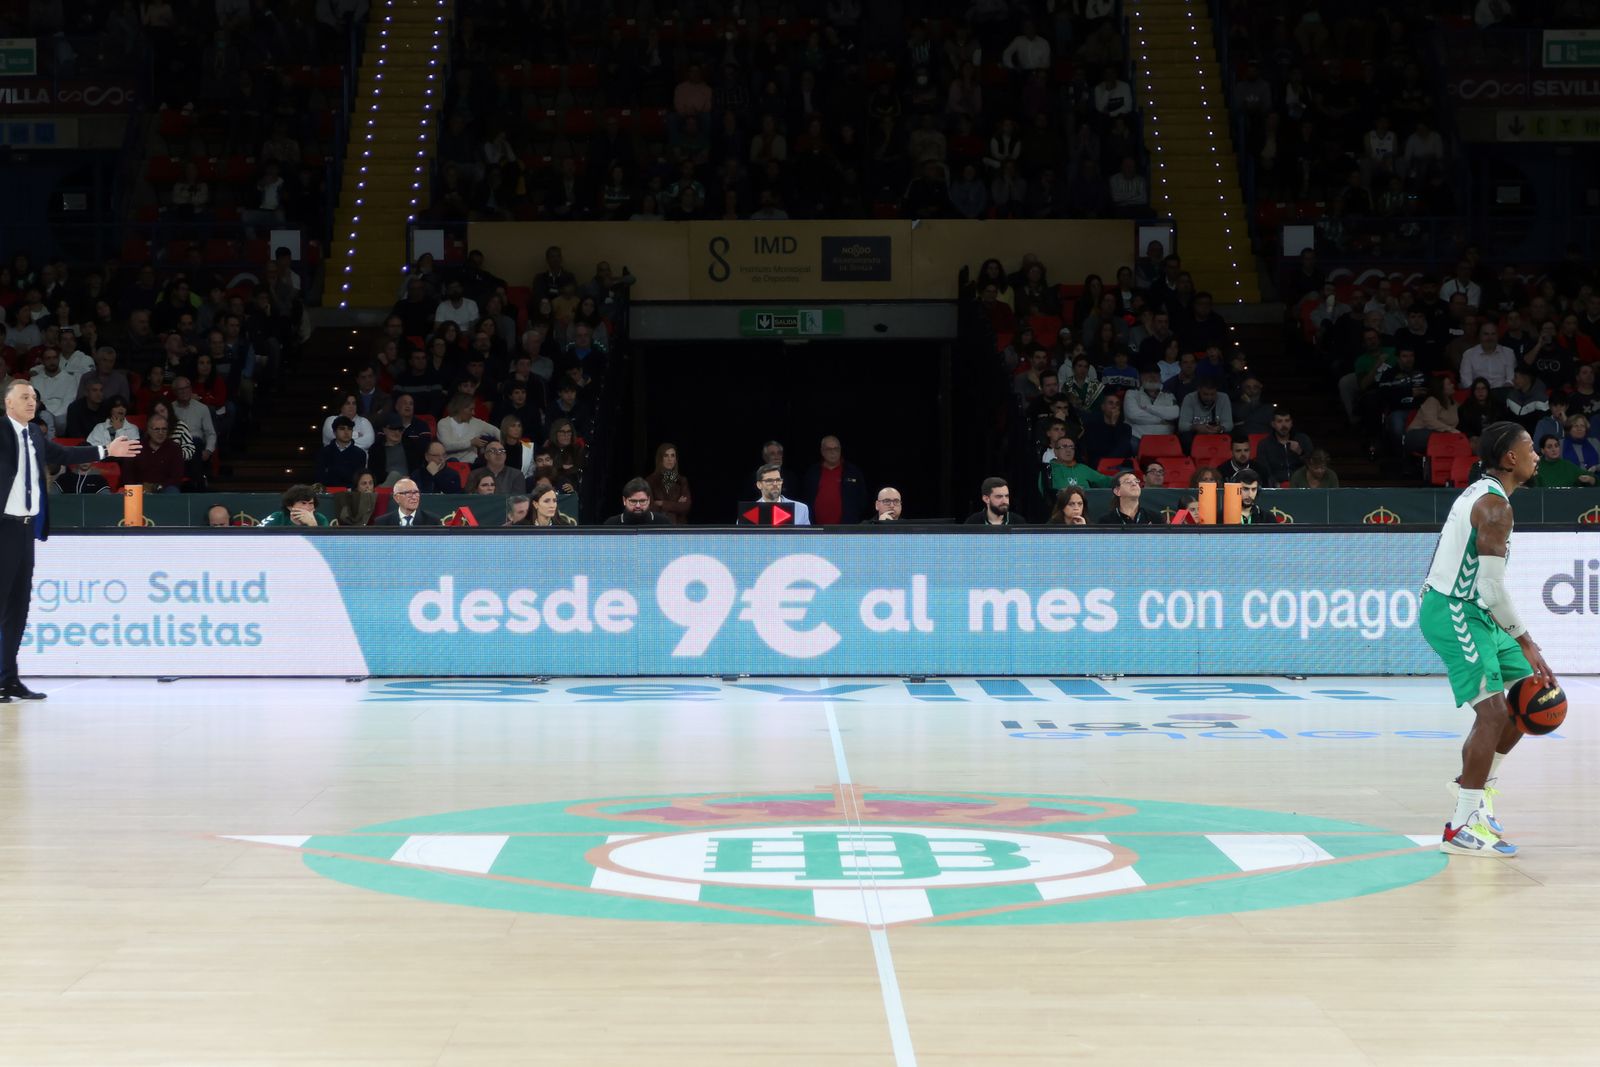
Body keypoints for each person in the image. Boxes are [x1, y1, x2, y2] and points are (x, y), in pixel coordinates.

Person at [1419, 422, 1555, 858]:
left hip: (1475, 608)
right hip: (1454, 608)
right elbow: (1492, 589)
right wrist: (1528, 641)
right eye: (1530, 447)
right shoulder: (1495, 507)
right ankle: (1460, 824)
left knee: (1531, 697)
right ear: (1510, 458)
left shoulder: (1486, 492)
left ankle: (1476, 790)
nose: (1536, 454)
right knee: (1493, 712)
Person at [1, 381, 139, 701]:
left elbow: (63, 452)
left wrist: (106, 450)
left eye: (34, 397)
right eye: (24, 397)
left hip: (25, 530)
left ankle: (8, 678)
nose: (31, 402)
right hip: (3, 528)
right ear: (8, 403)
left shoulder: (35, 433)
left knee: (18, 609)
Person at [800, 435, 869, 525]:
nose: (833, 452)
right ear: (822, 451)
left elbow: (863, 499)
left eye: (836, 449)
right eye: (829, 449)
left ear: (840, 450)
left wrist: (852, 516)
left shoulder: (853, 472)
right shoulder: (812, 472)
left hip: (847, 528)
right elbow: (805, 498)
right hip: (817, 528)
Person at [315, 415, 367, 489]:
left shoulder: (360, 454)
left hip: (351, 496)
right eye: (342, 429)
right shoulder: (324, 452)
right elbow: (319, 479)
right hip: (328, 494)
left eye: (349, 429)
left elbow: (358, 481)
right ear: (334, 432)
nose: (346, 432)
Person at [646, 443, 691, 525]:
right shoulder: (650, 481)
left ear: (675, 459)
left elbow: (685, 507)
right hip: (659, 526)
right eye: (666, 455)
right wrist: (676, 504)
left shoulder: (682, 481)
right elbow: (651, 507)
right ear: (660, 458)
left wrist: (662, 503)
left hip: (680, 527)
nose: (669, 459)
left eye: (672, 456)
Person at [1531, 434, 1596, 488]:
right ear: (1542, 450)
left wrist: (1591, 480)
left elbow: (1594, 479)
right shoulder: (1535, 467)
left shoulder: (1568, 466)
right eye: (1549, 447)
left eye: (1556, 446)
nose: (1554, 449)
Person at [604, 477, 675, 525]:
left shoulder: (663, 522)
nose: (638, 505)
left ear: (649, 500)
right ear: (624, 500)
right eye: (633, 501)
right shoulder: (611, 524)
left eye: (642, 501)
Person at [375, 478, 440, 527]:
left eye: (416, 492)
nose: (414, 497)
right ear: (396, 498)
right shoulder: (382, 523)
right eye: (408, 493)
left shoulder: (433, 521)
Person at [259, 484, 331, 527]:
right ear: (289, 506)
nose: (307, 508)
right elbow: (255, 537)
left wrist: (313, 525)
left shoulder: (320, 519)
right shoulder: (277, 517)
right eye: (303, 503)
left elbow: (328, 545)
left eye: (311, 503)